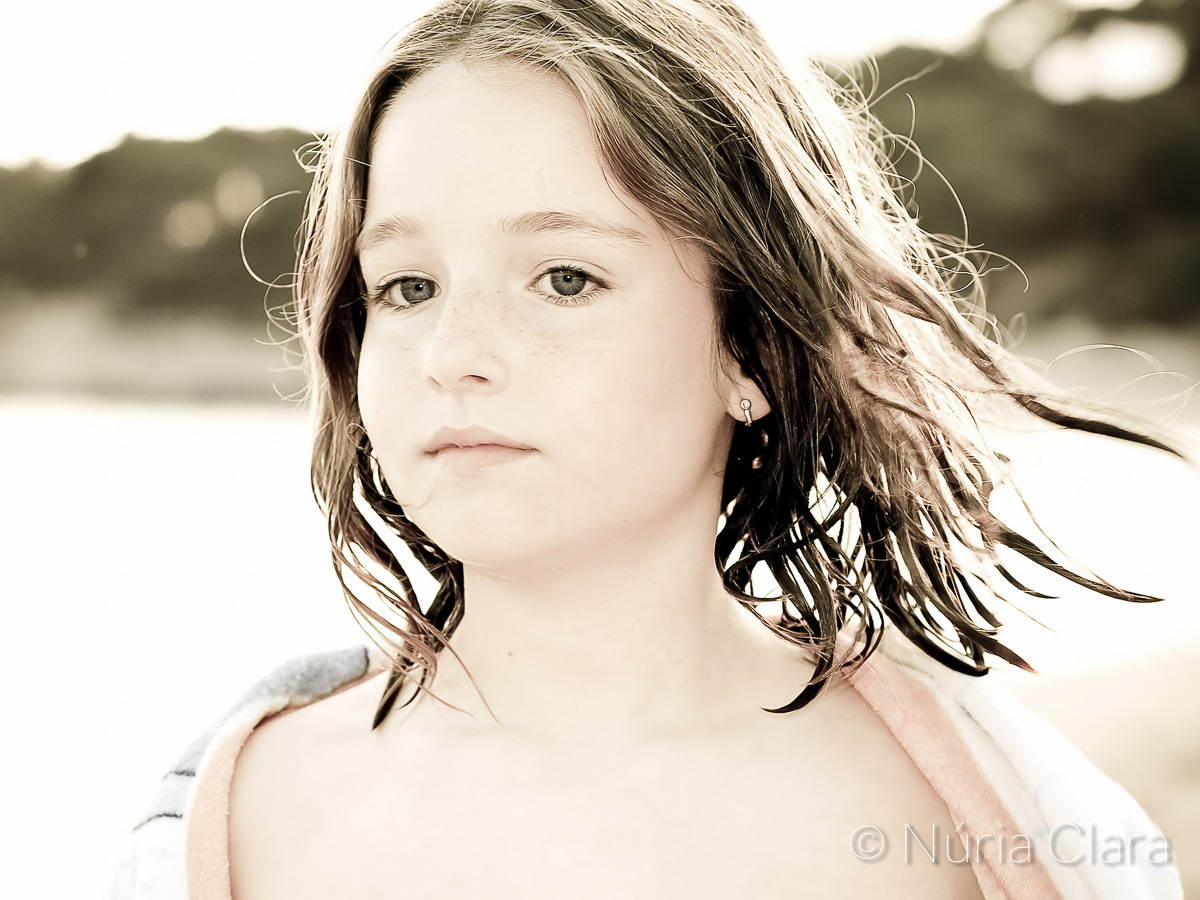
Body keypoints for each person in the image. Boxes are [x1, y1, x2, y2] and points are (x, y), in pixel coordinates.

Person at [111, 1, 1185, 897]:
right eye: (407, 286)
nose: (452, 355)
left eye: (565, 278)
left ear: (748, 343)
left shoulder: (989, 823)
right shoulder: (235, 823)